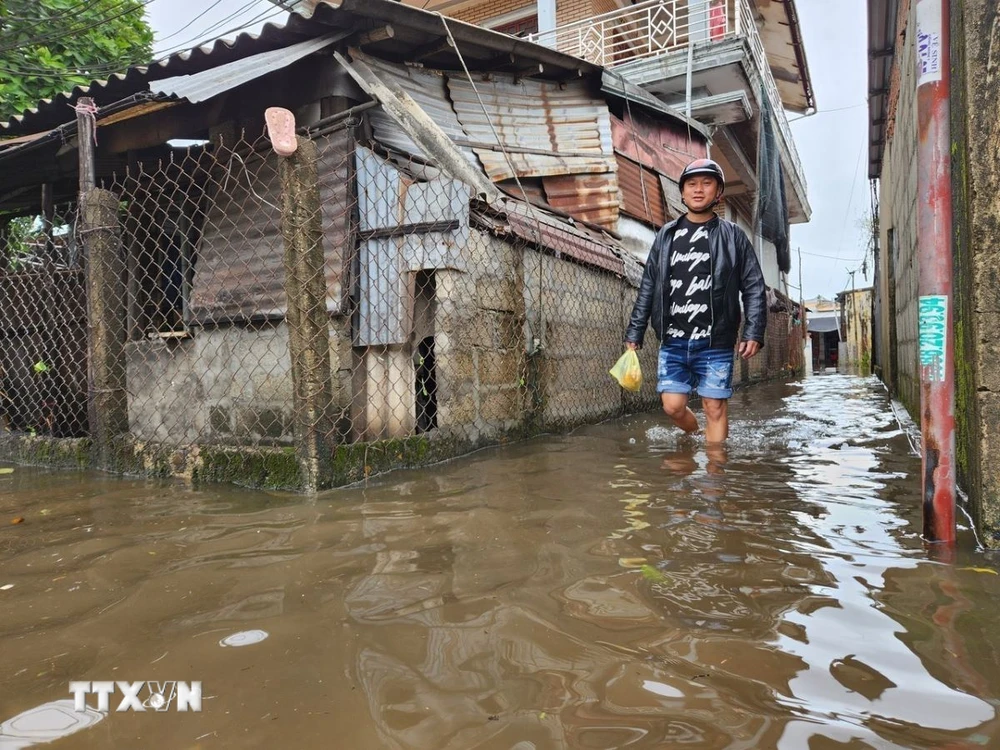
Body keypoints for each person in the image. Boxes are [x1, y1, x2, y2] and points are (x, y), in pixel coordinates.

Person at [624, 158, 766, 443]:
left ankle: (714, 477)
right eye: (691, 184)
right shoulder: (666, 235)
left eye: (706, 183)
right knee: (672, 406)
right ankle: (696, 435)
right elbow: (649, 284)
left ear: (718, 193)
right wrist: (634, 331)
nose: (698, 190)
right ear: (683, 192)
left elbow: (753, 286)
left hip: (716, 342)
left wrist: (754, 331)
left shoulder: (734, 236)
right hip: (673, 341)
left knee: (714, 406)